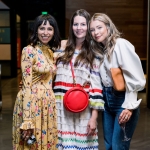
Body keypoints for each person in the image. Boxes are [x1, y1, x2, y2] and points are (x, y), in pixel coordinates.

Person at [89, 13, 146, 150]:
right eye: (92, 30)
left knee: (118, 147)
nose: (96, 32)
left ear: (108, 27)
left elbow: (136, 78)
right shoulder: (101, 50)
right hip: (107, 102)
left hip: (122, 101)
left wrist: (129, 106)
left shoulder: (121, 45)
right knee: (109, 146)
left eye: (99, 27)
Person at [53, 9, 105, 150]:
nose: (79, 28)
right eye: (76, 24)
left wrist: (93, 118)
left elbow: (96, 88)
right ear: (71, 26)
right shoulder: (60, 47)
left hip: (83, 110)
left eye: (83, 24)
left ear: (88, 27)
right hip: (61, 110)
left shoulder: (95, 53)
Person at [12, 14, 61, 149]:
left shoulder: (50, 53)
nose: (45, 32)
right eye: (42, 28)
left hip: (47, 104)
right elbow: (27, 86)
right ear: (36, 30)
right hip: (31, 104)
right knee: (31, 144)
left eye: (50, 29)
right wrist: (27, 121)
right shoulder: (29, 51)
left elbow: (70, 43)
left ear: (54, 31)